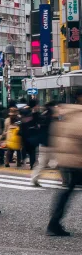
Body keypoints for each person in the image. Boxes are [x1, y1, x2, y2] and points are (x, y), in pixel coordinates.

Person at [46, 92, 82, 237]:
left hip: (67, 159)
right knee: (67, 192)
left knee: (66, 192)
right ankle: (54, 223)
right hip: (76, 160)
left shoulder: (65, 115)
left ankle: (54, 223)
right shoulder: (78, 116)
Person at [30, 103, 55, 187]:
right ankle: (34, 178)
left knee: (42, 163)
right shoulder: (50, 118)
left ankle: (34, 178)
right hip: (49, 144)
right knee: (44, 162)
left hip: (45, 143)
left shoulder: (43, 116)